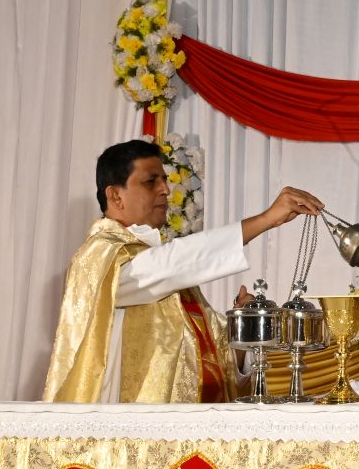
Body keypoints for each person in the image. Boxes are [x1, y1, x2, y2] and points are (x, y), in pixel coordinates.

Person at [43, 140, 323, 403]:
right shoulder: (100, 256)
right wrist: (265, 220)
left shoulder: (160, 266)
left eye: (164, 180)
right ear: (116, 195)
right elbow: (167, 264)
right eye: (151, 181)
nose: (165, 190)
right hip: (127, 425)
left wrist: (241, 330)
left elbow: (211, 352)